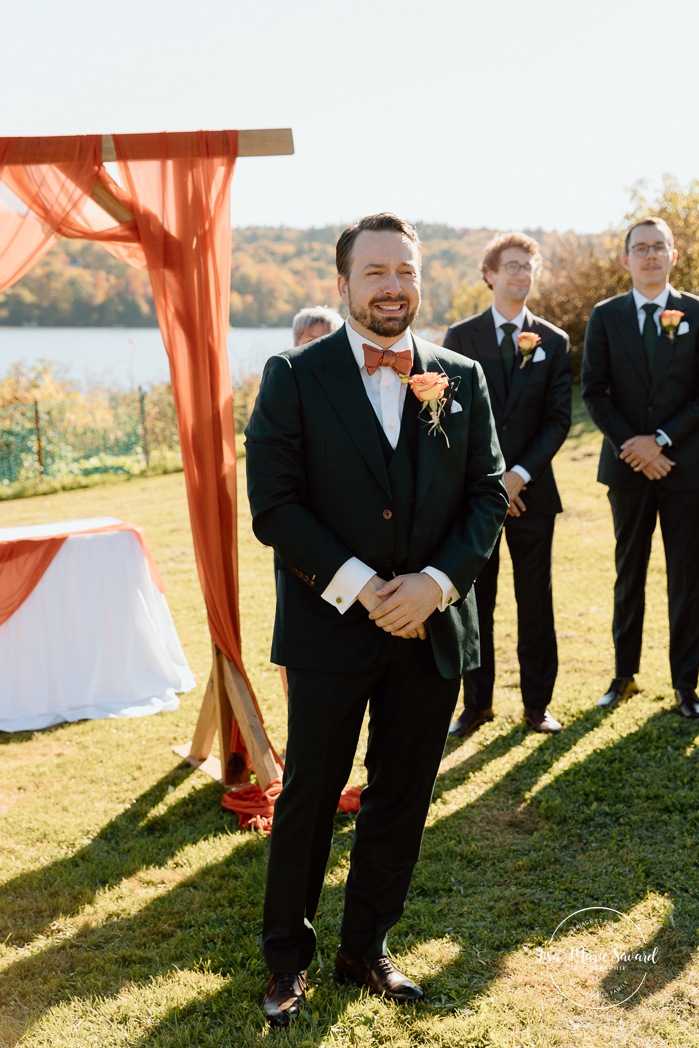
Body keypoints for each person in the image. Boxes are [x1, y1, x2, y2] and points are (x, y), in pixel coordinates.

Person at [245, 212, 508, 1026]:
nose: (393, 287)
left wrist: (434, 583)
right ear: (343, 282)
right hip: (331, 629)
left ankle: (367, 947)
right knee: (312, 796)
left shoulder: (460, 373)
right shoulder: (293, 374)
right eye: (375, 272)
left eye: (405, 271)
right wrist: (362, 585)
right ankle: (286, 960)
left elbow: (488, 492)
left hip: (430, 628)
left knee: (402, 796)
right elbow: (275, 505)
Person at [444, 233, 572, 736]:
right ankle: (476, 706)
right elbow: (454, 415)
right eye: (512, 265)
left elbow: (558, 419)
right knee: (477, 601)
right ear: (490, 274)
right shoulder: (461, 337)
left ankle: (537, 705)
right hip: (478, 498)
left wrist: (519, 477)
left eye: (528, 267)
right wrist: (496, 482)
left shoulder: (554, 341)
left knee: (535, 601)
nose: (521, 274)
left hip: (534, 497)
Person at [582, 216, 699, 717]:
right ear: (626, 258)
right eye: (640, 248)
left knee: (688, 577)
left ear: (673, 256)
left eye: (659, 247)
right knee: (628, 572)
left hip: (685, 466)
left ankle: (685, 686)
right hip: (627, 468)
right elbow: (594, 390)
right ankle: (623, 676)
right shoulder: (604, 316)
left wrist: (663, 440)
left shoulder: (697, 311)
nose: (650, 255)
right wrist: (634, 445)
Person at [276, 306, 344, 701]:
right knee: (298, 637)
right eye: (308, 342)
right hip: (299, 536)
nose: (317, 349)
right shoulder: (285, 389)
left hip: (351, 538)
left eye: (326, 340)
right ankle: (297, 717)